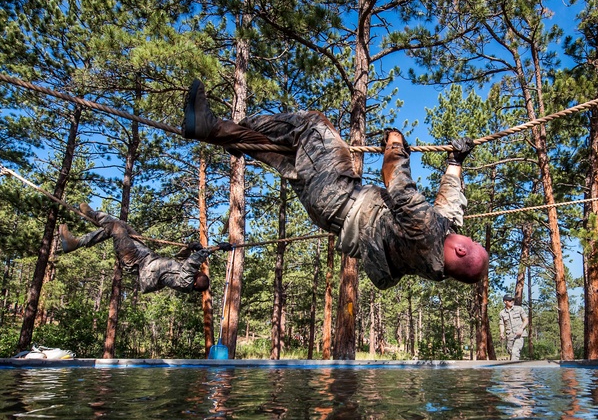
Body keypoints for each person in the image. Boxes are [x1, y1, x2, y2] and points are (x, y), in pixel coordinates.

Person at [181, 80, 488, 290]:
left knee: (312, 126)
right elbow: (451, 211)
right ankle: (225, 135)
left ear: (461, 250)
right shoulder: (436, 257)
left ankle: (215, 128)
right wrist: (455, 164)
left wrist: (395, 141)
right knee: (288, 154)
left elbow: (398, 183)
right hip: (329, 211)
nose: (468, 236)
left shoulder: (428, 232)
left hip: (338, 196)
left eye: (471, 242)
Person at [58, 203, 225, 293]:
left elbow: (192, 264)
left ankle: (90, 220)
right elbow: (182, 260)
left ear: (195, 282)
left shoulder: (185, 282)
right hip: (145, 255)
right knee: (122, 226)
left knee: (116, 228)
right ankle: (75, 242)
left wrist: (215, 248)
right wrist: (190, 248)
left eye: (197, 274)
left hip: (136, 261)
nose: (197, 272)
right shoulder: (184, 275)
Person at [498, 294, 528, 360]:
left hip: (519, 335)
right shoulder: (502, 313)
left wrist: (521, 329)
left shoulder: (519, 309)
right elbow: (502, 324)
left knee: (515, 352)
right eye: (509, 300)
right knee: (511, 352)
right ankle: (517, 369)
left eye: (512, 300)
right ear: (505, 301)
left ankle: (515, 369)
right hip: (510, 336)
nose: (511, 301)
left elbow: (526, 319)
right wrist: (502, 333)